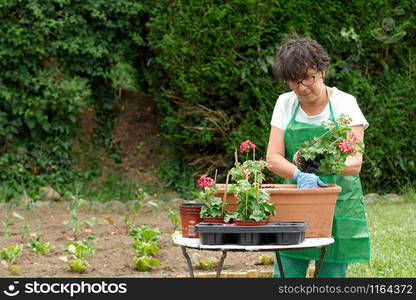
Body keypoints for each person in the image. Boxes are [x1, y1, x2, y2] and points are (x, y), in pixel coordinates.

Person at [266, 35, 370, 278]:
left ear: (322, 70)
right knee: (286, 273)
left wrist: (324, 166)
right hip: (296, 199)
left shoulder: (345, 104)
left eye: (307, 78)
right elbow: (273, 157)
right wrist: (299, 174)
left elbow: (354, 162)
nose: (302, 87)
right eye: (293, 81)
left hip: (338, 201)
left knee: (331, 276)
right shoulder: (285, 103)